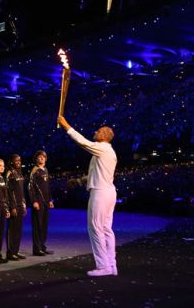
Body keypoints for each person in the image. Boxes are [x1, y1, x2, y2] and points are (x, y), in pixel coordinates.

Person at [58, 116, 118, 277]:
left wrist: (66, 126)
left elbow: (82, 142)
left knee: (96, 228)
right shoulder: (107, 151)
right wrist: (79, 181)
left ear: (104, 136)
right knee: (106, 229)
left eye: (98, 131)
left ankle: (103, 266)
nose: (95, 132)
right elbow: (95, 174)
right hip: (108, 191)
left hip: (100, 192)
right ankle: (111, 264)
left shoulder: (102, 147)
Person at [29, 150, 53, 256]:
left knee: (44, 225)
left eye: (43, 157)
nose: (41, 158)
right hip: (38, 202)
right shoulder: (35, 170)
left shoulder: (46, 170)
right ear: (36, 159)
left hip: (46, 202)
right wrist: (34, 201)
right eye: (39, 157)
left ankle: (42, 247)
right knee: (37, 225)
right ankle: (36, 249)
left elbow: (47, 187)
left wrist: (50, 200)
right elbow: (30, 187)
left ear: (46, 159)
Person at [5, 153, 27, 260]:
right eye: (16, 160)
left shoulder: (20, 174)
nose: (18, 162)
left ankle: (16, 251)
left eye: (19, 160)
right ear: (11, 162)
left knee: (18, 229)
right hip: (13, 206)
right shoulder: (10, 174)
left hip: (20, 205)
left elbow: (22, 192)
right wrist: (12, 206)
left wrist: (24, 205)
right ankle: (10, 252)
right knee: (12, 230)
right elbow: (8, 192)